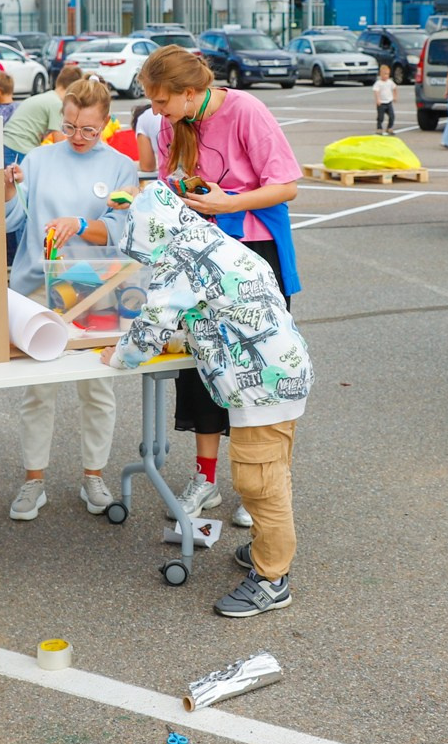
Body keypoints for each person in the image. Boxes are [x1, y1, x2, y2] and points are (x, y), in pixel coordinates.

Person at [110, 182, 312, 618]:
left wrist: (119, 356)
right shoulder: (215, 241)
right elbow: (222, 307)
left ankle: (272, 578)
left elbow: (151, 326)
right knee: (273, 470)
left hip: (259, 386)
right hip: (284, 371)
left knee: (259, 483)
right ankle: (266, 547)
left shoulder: (179, 258)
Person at [140, 46, 301, 522]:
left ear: (189, 94)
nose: (156, 113)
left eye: (161, 103)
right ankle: (206, 479)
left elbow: (287, 185)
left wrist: (229, 203)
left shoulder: (246, 109)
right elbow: (175, 182)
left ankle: (264, 482)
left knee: (263, 367)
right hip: (203, 254)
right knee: (200, 367)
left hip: (255, 254)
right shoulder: (177, 121)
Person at [1, 78, 136, 521]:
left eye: (88, 130)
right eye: (70, 126)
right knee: (37, 389)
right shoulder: (38, 158)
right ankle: (33, 480)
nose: (77, 137)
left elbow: (120, 230)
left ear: (106, 123)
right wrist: (6, 189)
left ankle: (93, 475)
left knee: (98, 387)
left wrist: (78, 223)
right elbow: (11, 220)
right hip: (37, 286)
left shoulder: (120, 166)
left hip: (92, 285)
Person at [3, 64, 83, 167]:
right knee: (26, 180)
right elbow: (58, 141)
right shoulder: (56, 104)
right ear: (74, 90)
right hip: (19, 147)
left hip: (8, 142)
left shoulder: (47, 97)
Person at [372, 65, 397, 133]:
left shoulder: (390, 82)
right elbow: (376, 91)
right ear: (380, 74)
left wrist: (395, 97)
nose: (386, 76)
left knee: (392, 116)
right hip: (381, 103)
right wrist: (378, 100)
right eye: (385, 74)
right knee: (381, 117)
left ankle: (389, 127)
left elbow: (395, 88)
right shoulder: (378, 83)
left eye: (388, 74)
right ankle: (379, 128)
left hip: (388, 102)